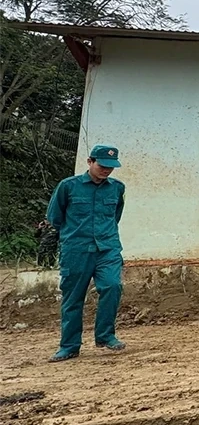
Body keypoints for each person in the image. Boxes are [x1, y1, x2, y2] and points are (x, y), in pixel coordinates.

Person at [45, 145, 127, 362]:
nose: (107, 170)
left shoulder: (117, 188)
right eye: (102, 165)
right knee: (73, 298)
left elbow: (115, 215)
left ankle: (105, 336)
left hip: (107, 248)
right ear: (90, 161)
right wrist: (74, 236)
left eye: (111, 167)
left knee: (112, 285)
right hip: (76, 250)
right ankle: (69, 346)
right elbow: (55, 217)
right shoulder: (68, 186)